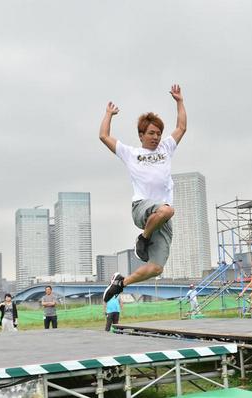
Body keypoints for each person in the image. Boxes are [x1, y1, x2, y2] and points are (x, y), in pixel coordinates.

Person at [100, 84, 187, 302]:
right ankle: (143, 238)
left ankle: (121, 283)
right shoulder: (131, 153)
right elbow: (103, 135)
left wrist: (179, 101)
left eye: (158, 133)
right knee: (168, 210)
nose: (156, 137)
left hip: (161, 216)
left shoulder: (166, 148)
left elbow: (181, 127)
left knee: (156, 268)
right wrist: (109, 114)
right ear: (141, 135)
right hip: (142, 207)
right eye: (151, 133)